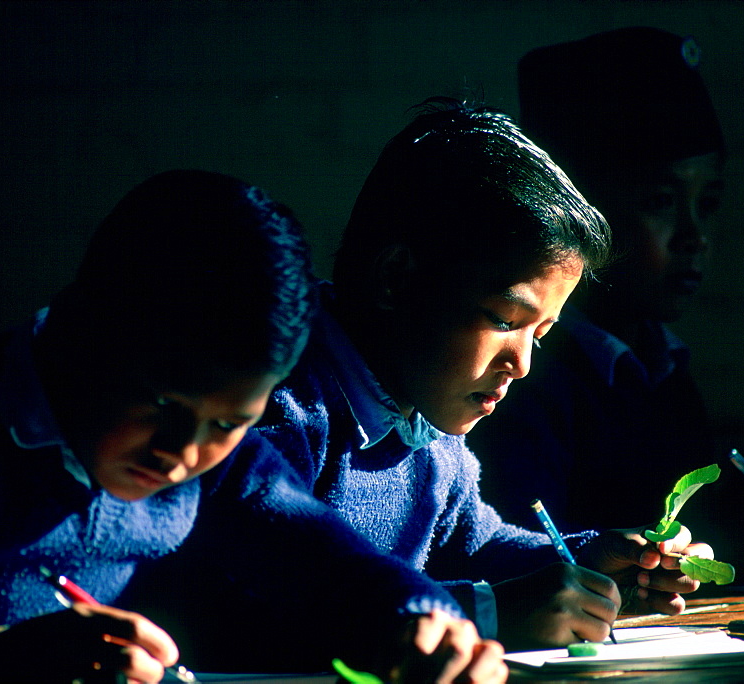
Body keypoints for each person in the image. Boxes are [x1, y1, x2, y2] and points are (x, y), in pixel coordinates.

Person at [0, 170, 506, 683]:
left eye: (232, 422)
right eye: (159, 404)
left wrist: (422, 620)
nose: (182, 454)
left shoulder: (220, 463)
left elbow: (325, 563)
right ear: (79, 327)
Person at [256, 99, 714, 653]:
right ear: (396, 279)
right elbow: (265, 601)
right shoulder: (281, 408)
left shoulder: (428, 430)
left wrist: (593, 566)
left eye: (539, 335)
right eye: (504, 320)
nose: (521, 365)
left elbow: (475, 547)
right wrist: (485, 616)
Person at [467, 27, 744, 582]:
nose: (694, 236)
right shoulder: (520, 377)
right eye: (660, 202)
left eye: (707, 204)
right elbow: (529, 559)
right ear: (582, 216)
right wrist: (730, 550)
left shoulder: (663, 371)